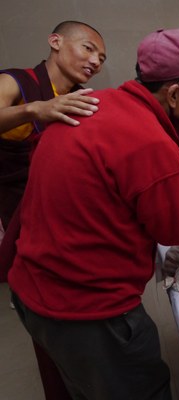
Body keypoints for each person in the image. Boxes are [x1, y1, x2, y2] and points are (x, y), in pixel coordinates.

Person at [8, 27, 179, 400]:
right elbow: (177, 228)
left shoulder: (88, 103)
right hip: (88, 311)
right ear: (173, 94)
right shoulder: (150, 141)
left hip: (32, 288)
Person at [0, 20, 106, 400]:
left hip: (64, 218)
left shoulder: (84, 97)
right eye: (88, 48)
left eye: (102, 57)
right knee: (42, 306)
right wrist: (38, 109)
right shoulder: (17, 82)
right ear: (56, 41)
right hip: (18, 212)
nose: (95, 60)